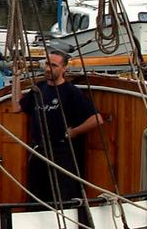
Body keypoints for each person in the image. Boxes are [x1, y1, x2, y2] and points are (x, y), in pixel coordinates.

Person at [11, 48, 103, 204]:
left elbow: (97, 119)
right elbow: (16, 107)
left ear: (64, 68)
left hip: (62, 153)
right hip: (39, 152)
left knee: (62, 196)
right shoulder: (38, 89)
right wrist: (16, 77)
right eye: (47, 64)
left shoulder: (70, 92)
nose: (48, 69)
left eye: (53, 65)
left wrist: (73, 132)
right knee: (36, 197)